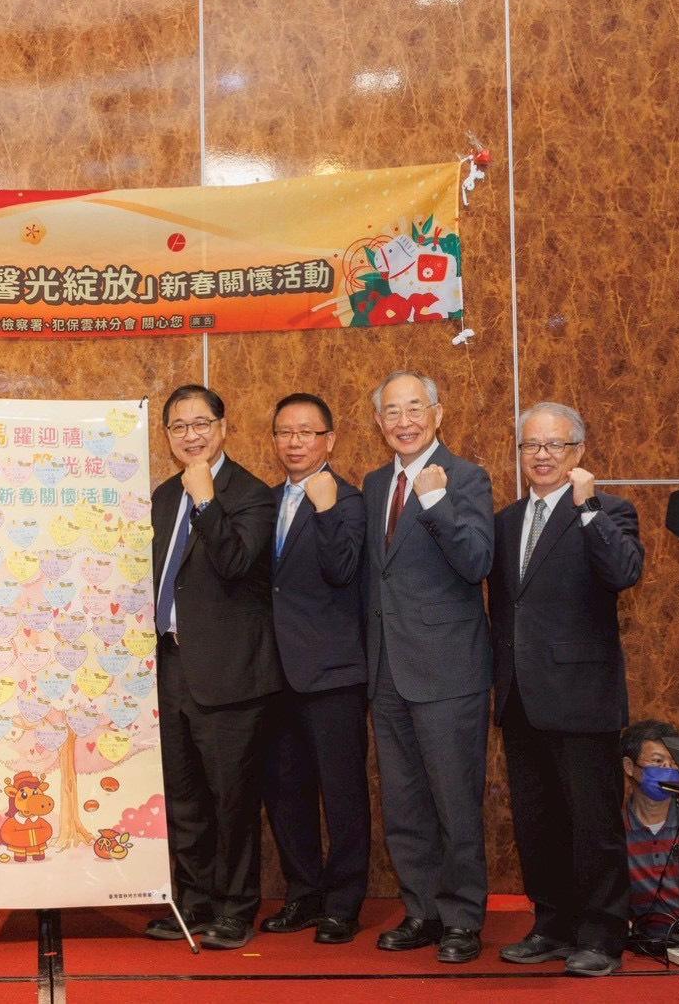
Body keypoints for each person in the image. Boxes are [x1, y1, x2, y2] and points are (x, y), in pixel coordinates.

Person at [490, 402, 645, 977]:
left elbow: (624, 572)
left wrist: (588, 508)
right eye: (531, 445)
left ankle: (602, 936)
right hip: (519, 696)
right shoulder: (506, 521)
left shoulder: (608, 511)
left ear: (578, 452)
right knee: (538, 823)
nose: (542, 455)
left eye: (555, 444)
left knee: (593, 825)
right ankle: (552, 926)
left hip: (582, 697)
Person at [361, 370, 494, 963]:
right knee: (405, 802)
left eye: (415, 408)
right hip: (388, 669)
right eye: (392, 411)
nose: (404, 421)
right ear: (378, 422)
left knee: (455, 801)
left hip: (448, 671)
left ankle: (462, 918)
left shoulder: (465, 478)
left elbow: (476, 561)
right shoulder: (373, 484)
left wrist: (436, 502)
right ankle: (422, 911)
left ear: (438, 414)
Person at [145, 384, 282, 951]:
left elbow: (234, 562)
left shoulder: (251, 494)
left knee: (232, 801)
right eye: (178, 426)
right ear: (167, 435)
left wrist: (206, 502)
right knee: (184, 799)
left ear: (224, 428)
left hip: (230, 675)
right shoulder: (161, 496)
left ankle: (234, 908)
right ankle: (193, 902)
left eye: (201, 423)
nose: (191, 435)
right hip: (171, 665)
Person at [260, 393, 370, 945]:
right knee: (285, 791)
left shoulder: (348, 500)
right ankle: (303, 894)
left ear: (330, 439)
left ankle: (343, 904)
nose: (295, 442)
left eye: (307, 432)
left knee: (342, 792)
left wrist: (325, 509)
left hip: (332, 673)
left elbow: (342, 568)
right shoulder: (266, 501)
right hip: (274, 673)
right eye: (285, 432)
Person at [622, 720, 679, 943]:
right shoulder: (613, 831)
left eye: (674, 762)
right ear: (629, 767)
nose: (668, 770)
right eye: (658, 762)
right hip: (641, 946)